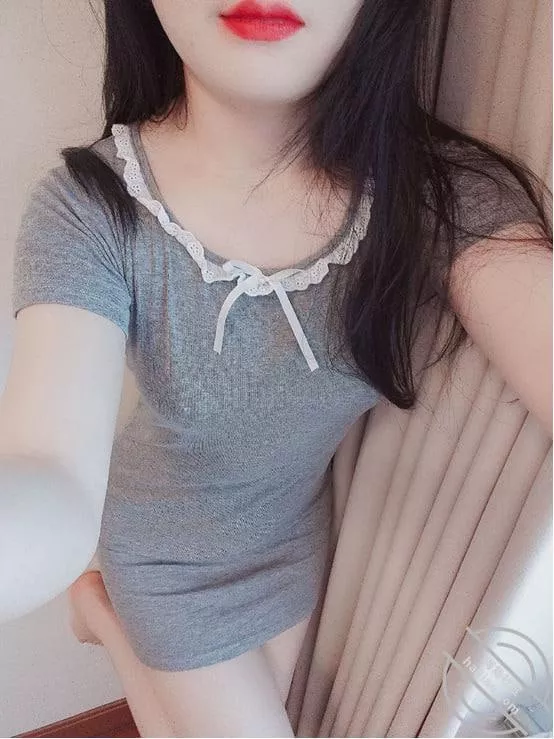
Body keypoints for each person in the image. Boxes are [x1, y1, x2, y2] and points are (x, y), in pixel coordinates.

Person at [1, 0, 552, 736]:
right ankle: (111, 606)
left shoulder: (433, 193)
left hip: (290, 536)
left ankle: (100, 614)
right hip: (168, 554)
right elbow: (48, 464)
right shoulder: (90, 208)